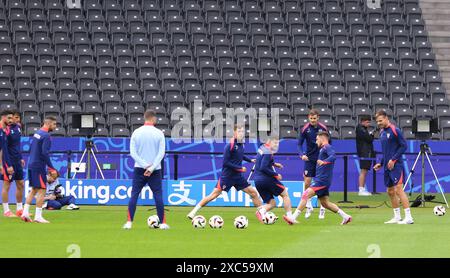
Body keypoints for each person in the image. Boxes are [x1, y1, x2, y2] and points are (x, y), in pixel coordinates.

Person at [187, 124, 262, 219]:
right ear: (234, 132)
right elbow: (226, 163)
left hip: (238, 177)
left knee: (253, 193)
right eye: (239, 131)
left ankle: (263, 214)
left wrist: (250, 160)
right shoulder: (230, 145)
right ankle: (193, 212)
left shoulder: (241, 144)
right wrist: (240, 168)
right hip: (227, 177)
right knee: (213, 195)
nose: (241, 133)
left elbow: (240, 155)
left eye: (243, 131)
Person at [293, 131, 352, 225]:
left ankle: (293, 218)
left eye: (317, 139)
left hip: (322, 181)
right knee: (325, 204)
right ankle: (346, 216)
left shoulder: (327, 147)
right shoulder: (322, 149)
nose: (316, 141)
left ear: (322, 138)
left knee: (305, 195)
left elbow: (333, 156)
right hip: (323, 180)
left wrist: (325, 162)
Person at [123, 110, 168, 230]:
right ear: (153, 119)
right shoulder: (159, 133)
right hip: (155, 170)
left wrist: (144, 165)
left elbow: (133, 153)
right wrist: (151, 167)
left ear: (145, 118)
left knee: (134, 195)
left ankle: (129, 223)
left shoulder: (136, 132)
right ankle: (163, 223)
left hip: (139, 169)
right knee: (158, 195)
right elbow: (161, 153)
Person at [373, 110, 413, 224]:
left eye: (380, 120)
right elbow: (386, 151)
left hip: (396, 165)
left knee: (399, 189)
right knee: (390, 191)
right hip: (386, 165)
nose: (379, 123)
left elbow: (403, 146)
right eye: (377, 121)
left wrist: (394, 159)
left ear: (386, 118)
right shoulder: (381, 132)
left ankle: (409, 217)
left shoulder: (396, 130)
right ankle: (397, 216)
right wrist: (381, 162)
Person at [21, 116, 58, 223]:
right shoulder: (46, 136)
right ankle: (38, 216)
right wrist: (51, 168)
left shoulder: (37, 133)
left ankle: (25, 213)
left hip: (31, 164)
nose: (55, 127)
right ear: (49, 124)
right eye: (54, 124)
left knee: (33, 190)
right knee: (42, 190)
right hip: (38, 166)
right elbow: (44, 153)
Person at [254, 136, 297, 225]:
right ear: (269, 141)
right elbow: (263, 167)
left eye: (277, 143)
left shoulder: (262, 148)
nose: (276, 145)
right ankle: (290, 217)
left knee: (272, 203)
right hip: (266, 179)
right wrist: (276, 174)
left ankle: (261, 211)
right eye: (275, 143)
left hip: (257, 180)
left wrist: (274, 164)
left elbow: (261, 161)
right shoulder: (268, 151)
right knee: (285, 194)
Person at [297, 109, 329, 219]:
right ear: (308, 118)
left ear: (318, 118)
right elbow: (299, 144)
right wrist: (302, 155)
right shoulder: (305, 129)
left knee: (321, 182)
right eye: (311, 118)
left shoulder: (323, 128)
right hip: (309, 159)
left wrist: (327, 155)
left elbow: (329, 143)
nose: (313, 120)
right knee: (307, 182)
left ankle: (323, 208)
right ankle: (308, 205)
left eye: (314, 118)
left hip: (321, 158)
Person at [1, 110, 26, 217]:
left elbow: (17, 145)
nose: (14, 120)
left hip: (17, 160)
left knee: (21, 184)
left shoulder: (18, 127)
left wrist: (20, 158)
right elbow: (4, 149)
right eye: (11, 118)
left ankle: (19, 209)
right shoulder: (5, 130)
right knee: (7, 185)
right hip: (9, 161)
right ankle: (6, 211)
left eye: (16, 118)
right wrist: (6, 164)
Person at [355, 115, 375, 196]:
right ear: (362, 122)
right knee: (363, 171)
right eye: (367, 122)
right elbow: (369, 139)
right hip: (364, 152)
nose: (369, 124)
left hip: (366, 152)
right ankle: (361, 189)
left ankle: (362, 189)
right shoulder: (360, 128)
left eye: (369, 122)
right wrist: (372, 135)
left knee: (365, 171)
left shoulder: (363, 129)